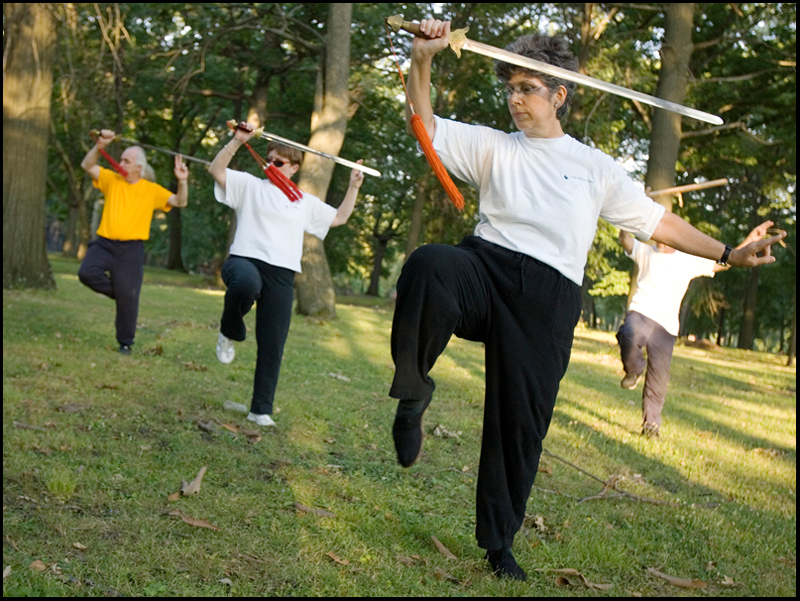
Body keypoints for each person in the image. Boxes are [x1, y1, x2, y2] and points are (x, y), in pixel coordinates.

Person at [388, 19, 785, 581]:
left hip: (547, 301)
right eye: (511, 89)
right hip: (485, 266)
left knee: (520, 426)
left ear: (560, 94)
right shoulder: (495, 146)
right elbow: (424, 126)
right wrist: (422, 58)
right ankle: (412, 391)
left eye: (527, 89)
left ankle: (498, 545)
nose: (516, 100)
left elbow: (659, 223)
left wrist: (728, 252)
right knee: (430, 263)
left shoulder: (597, 168)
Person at [208, 123, 363, 428]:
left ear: (293, 168)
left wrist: (354, 186)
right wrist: (238, 141)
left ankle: (260, 409)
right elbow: (216, 170)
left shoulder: (303, 202)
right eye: (268, 159)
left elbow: (340, 217)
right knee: (246, 285)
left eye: (278, 161)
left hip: (282, 275)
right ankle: (229, 331)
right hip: (244, 261)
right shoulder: (249, 185)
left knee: (273, 343)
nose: (270, 164)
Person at [616, 220, 774, 437]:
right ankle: (633, 370)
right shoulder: (646, 252)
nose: (659, 240)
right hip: (641, 314)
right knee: (628, 334)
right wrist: (628, 216)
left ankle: (651, 427)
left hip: (666, 326)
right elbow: (624, 239)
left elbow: (725, 260)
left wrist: (751, 239)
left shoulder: (687, 260)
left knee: (659, 380)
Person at [79, 130, 189, 355]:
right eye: (121, 159)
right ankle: (119, 293)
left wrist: (183, 181)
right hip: (104, 244)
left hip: (131, 250)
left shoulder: (150, 190)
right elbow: (87, 165)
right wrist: (100, 146)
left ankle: (125, 343)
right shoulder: (111, 179)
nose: (121, 163)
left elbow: (180, 201)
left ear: (138, 167)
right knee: (86, 273)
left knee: (129, 296)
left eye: (126, 161)